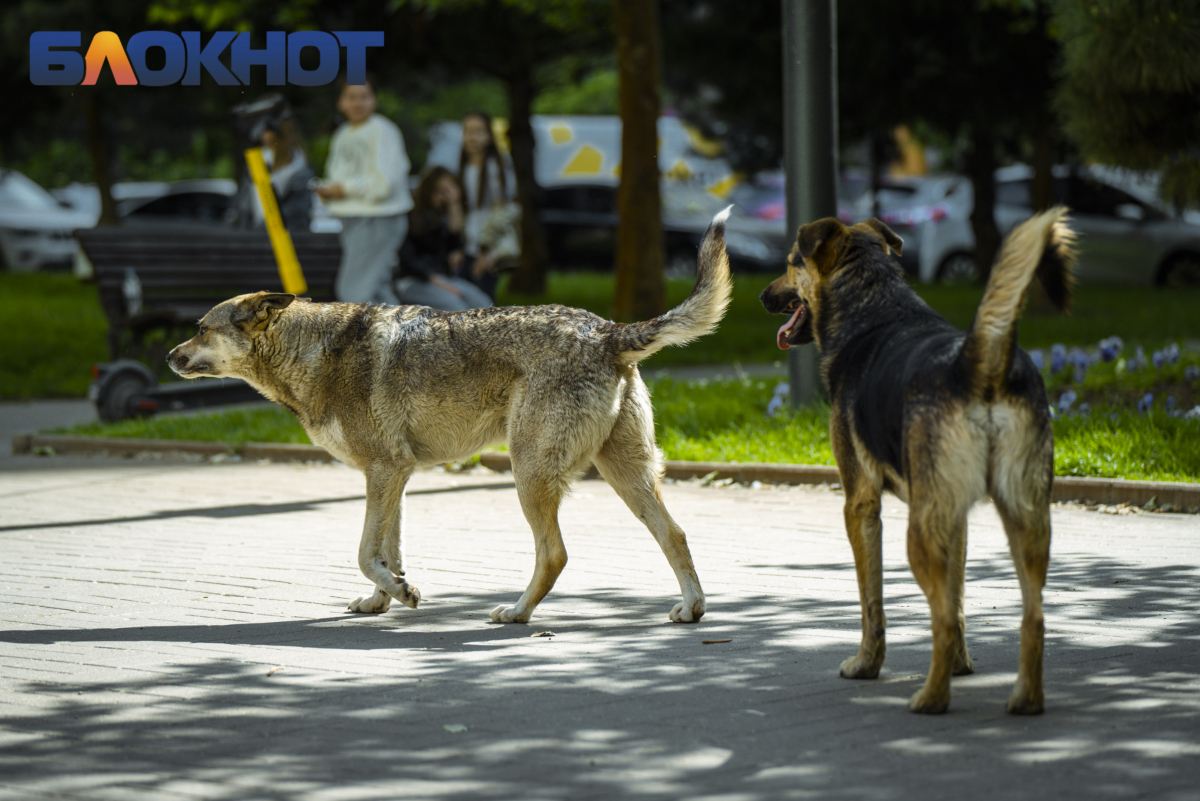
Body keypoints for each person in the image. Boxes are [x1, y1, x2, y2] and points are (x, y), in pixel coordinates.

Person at [316, 78, 413, 305]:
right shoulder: (343, 133)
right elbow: (340, 175)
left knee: (354, 293)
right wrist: (329, 189)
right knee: (378, 291)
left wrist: (344, 189)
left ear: (374, 101)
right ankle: (408, 338)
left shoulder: (382, 129)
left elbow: (385, 184)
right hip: (354, 219)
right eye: (351, 97)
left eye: (364, 96)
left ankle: (375, 339)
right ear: (341, 103)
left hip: (378, 218)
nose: (358, 103)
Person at [397, 167, 492, 311]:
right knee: (456, 307)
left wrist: (454, 207)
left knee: (484, 303)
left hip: (443, 278)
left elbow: (454, 248)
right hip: (413, 280)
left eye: (450, 190)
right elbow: (408, 259)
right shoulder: (411, 216)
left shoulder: (443, 219)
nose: (445, 196)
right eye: (441, 191)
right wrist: (441, 283)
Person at [458, 111, 517, 300]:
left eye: (479, 132)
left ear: (490, 136)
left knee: (482, 302)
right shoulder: (462, 165)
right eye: (468, 131)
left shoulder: (495, 167)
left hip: (488, 243)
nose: (472, 137)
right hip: (467, 243)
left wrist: (487, 249)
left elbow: (504, 209)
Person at [253, 110, 315, 232]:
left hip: (284, 229)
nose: (261, 134)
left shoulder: (296, 161)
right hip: (262, 225)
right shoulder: (262, 155)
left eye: (267, 129)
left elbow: (291, 207)